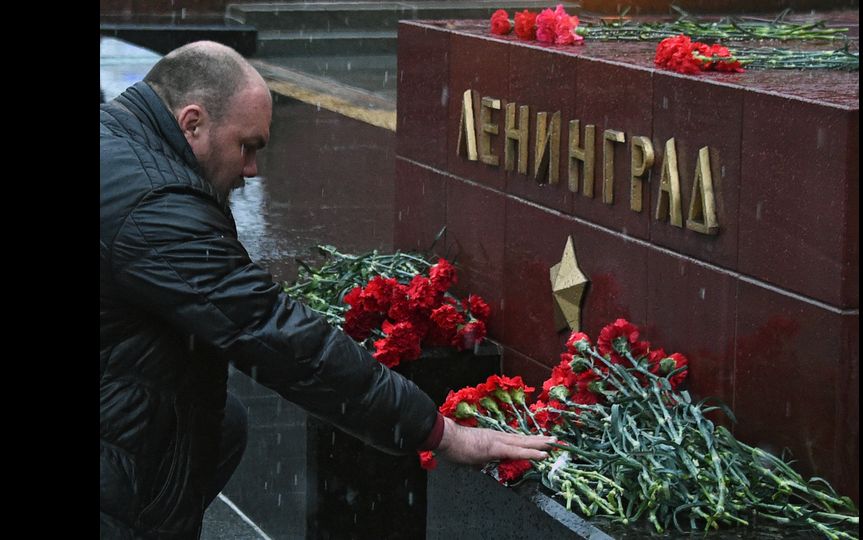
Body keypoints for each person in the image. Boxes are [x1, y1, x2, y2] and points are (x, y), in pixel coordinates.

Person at [100, 41, 554, 539]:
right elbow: (274, 333)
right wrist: (440, 433)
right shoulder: (153, 207)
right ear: (192, 124)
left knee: (215, 425)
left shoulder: (121, 143)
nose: (252, 170)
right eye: (246, 146)